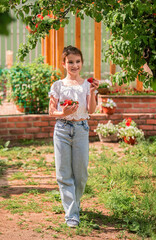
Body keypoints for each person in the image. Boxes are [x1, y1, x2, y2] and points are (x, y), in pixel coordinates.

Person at [49, 45, 99, 228]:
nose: (74, 65)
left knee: (81, 174)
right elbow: (51, 111)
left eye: (77, 61)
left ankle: (74, 206)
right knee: (63, 173)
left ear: (81, 63)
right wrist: (63, 113)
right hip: (62, 130)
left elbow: (91, 110)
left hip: (81, 129)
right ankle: (71, 214)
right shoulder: (57, 86)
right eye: (70, 62)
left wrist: (93, 92)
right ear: (64, 63)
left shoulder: (86, 85)